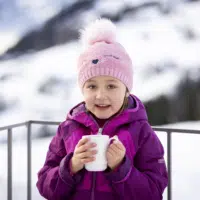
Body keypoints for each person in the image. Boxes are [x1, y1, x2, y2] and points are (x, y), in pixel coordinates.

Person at [36, 18, 168, 200]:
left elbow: (153, 192)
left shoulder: (141, 133)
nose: (100, 95)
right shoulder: (67, 129)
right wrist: (70, 166)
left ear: (126, 91)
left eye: (111, 86)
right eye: (91, 86)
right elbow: (45, 185)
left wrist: (121, 168)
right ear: (82, 89)